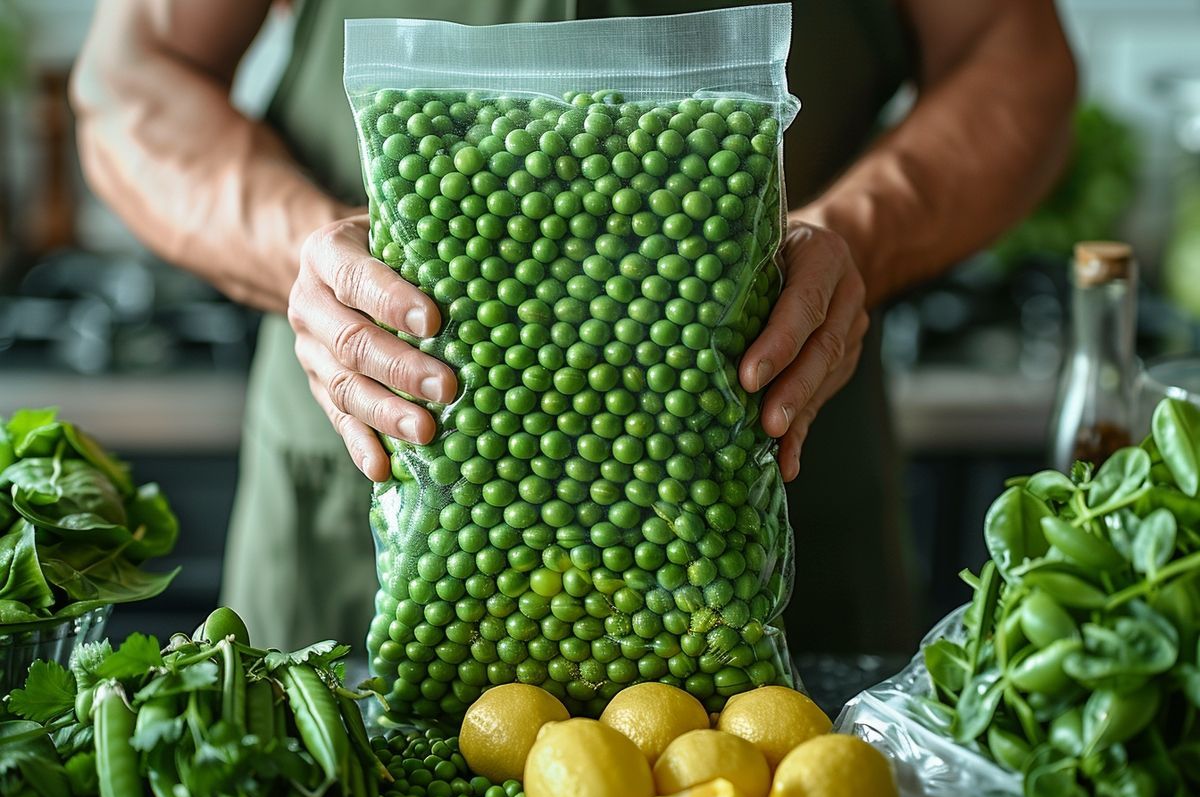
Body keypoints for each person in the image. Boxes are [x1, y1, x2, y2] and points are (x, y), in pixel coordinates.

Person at [72, 1, 1076, 652]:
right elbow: (132, 75)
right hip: (374, 491)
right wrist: (300, 250)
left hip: (759, 463)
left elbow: (1016, 58)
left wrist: (859, 232)